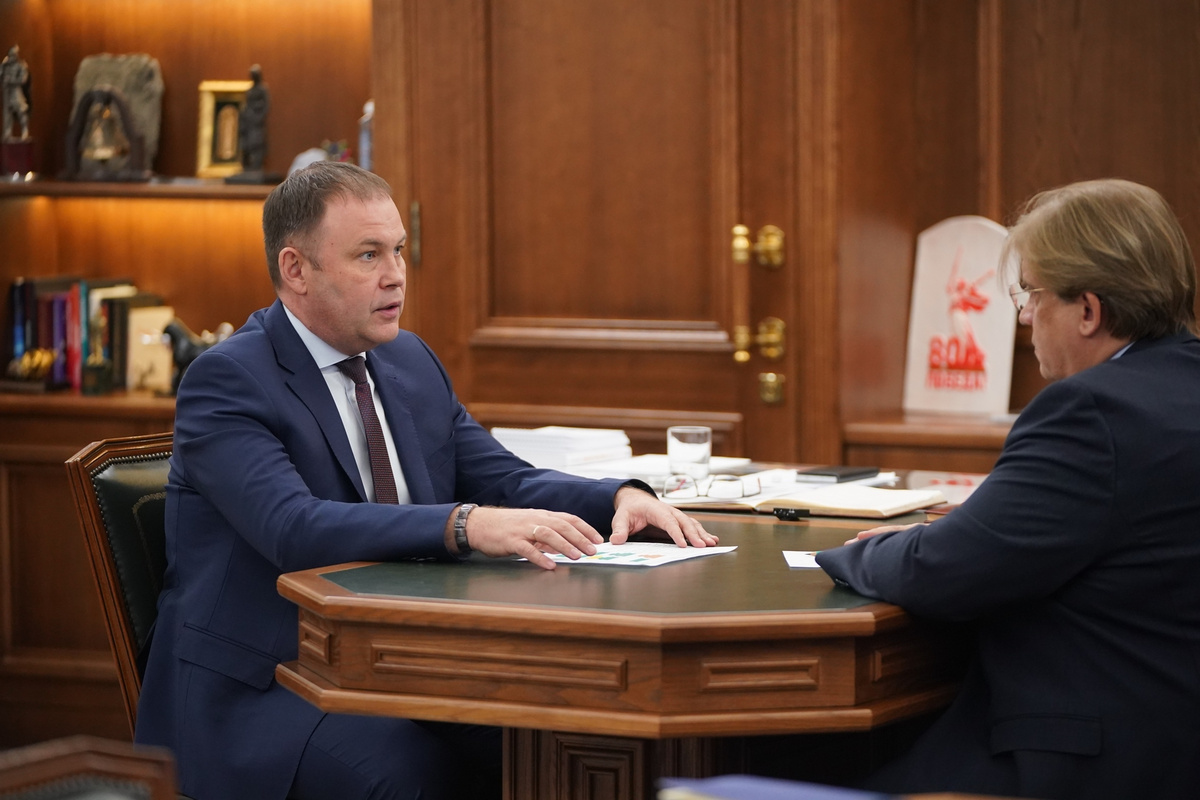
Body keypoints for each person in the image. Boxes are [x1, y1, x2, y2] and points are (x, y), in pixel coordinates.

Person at [134, 161, 717, 800]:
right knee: (414, 775)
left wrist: (618, 496)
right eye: (368, 255)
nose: (395, 275)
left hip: (405, 661)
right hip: (268, 683)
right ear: (296, 269)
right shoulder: (228, 379)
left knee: (571, 736)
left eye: (399, 250)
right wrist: (463, 525)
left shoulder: (407, 359)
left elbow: (504, 481)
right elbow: (292, 527)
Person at [816, 178, 1200, 799]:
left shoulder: (1090, 412)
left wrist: (855, 552)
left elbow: (942, 571)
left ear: (1088, 311)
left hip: (1083, 763)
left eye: (1031, 294)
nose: (1022, 316)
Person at [2, 44, 30, 142]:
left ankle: (25, 131)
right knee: (7, 114)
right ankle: (7, 133)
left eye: (14, 55)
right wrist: (2, 65)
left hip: (16, 91)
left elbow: (23, 80)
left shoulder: (21, 65)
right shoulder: (5, 65)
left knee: (21, 111)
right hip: (7, 92)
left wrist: (11, 81)